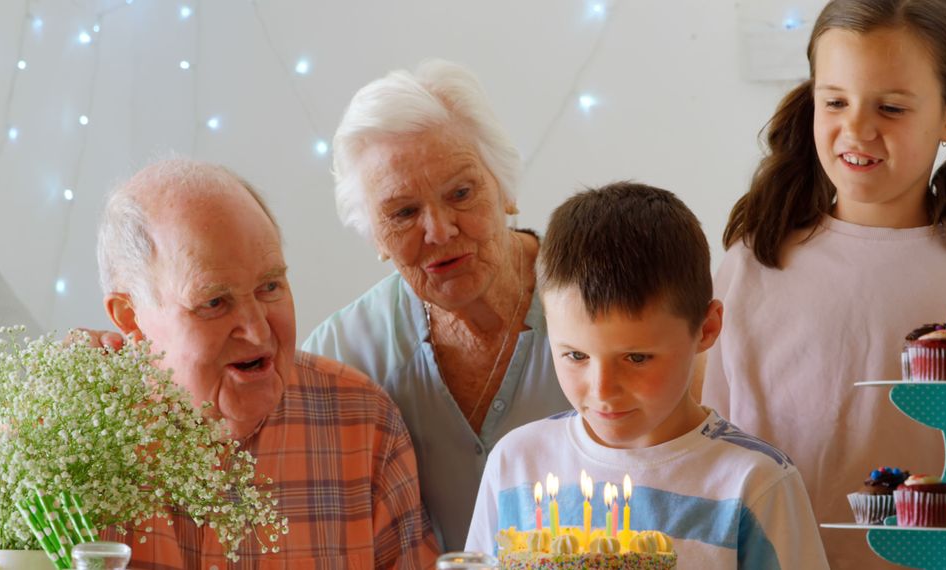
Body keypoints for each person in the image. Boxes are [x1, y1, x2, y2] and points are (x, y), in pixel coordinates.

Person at [701, 0, 946, 567]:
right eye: (836, 102)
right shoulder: (754, 263)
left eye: (892, 107)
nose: (857, 129)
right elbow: (710, 445)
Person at [95, 158, 439, 569]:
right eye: (214, 302)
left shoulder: (362, 426)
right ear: (130, 318)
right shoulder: (66, 443)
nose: (258, 332)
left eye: (270, 286)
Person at [466, 182, 828, 568]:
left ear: (706, 329)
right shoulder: (517, 463)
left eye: (636, 358)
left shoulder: (753, 485)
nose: (603, 390)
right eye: (576, 355)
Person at [302, 60, 570, 551]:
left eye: (461, 193)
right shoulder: (341, 354)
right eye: (403, 212)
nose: (440, 231)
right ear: (374, 235)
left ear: (505, 189)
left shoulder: (605, 299)